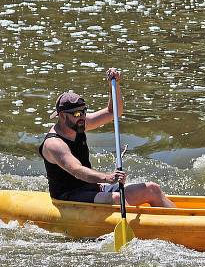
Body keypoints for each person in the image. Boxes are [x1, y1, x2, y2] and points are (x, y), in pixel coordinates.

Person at [38, 68, 175, 207]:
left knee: (152, 188)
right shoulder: (54, 144)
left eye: (84, 112)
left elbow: (113, 112)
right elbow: (77, 171)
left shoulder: (79, 124)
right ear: (62, 116)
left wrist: (114, 85)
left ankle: (181, 221)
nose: (82, 117)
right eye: (77, 114)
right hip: (68, 196)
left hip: (91, 188)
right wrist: (107, 177)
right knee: (117, 199)